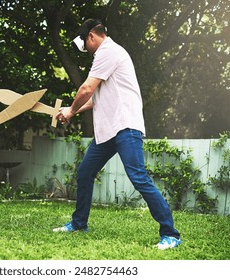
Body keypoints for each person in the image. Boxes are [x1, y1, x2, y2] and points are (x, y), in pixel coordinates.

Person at [53, 19, 182, 250]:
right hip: (109, 130)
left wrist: (71, 110)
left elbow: (86, 89)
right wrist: (72, 112)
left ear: (92, 36)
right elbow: (95, 98)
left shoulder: (108, 51)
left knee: (138, 177)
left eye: (85, 43)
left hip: (125, 126)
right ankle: (79, 223)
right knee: (85, 172)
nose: (86, 50)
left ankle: (171, 234)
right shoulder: (107, 56)